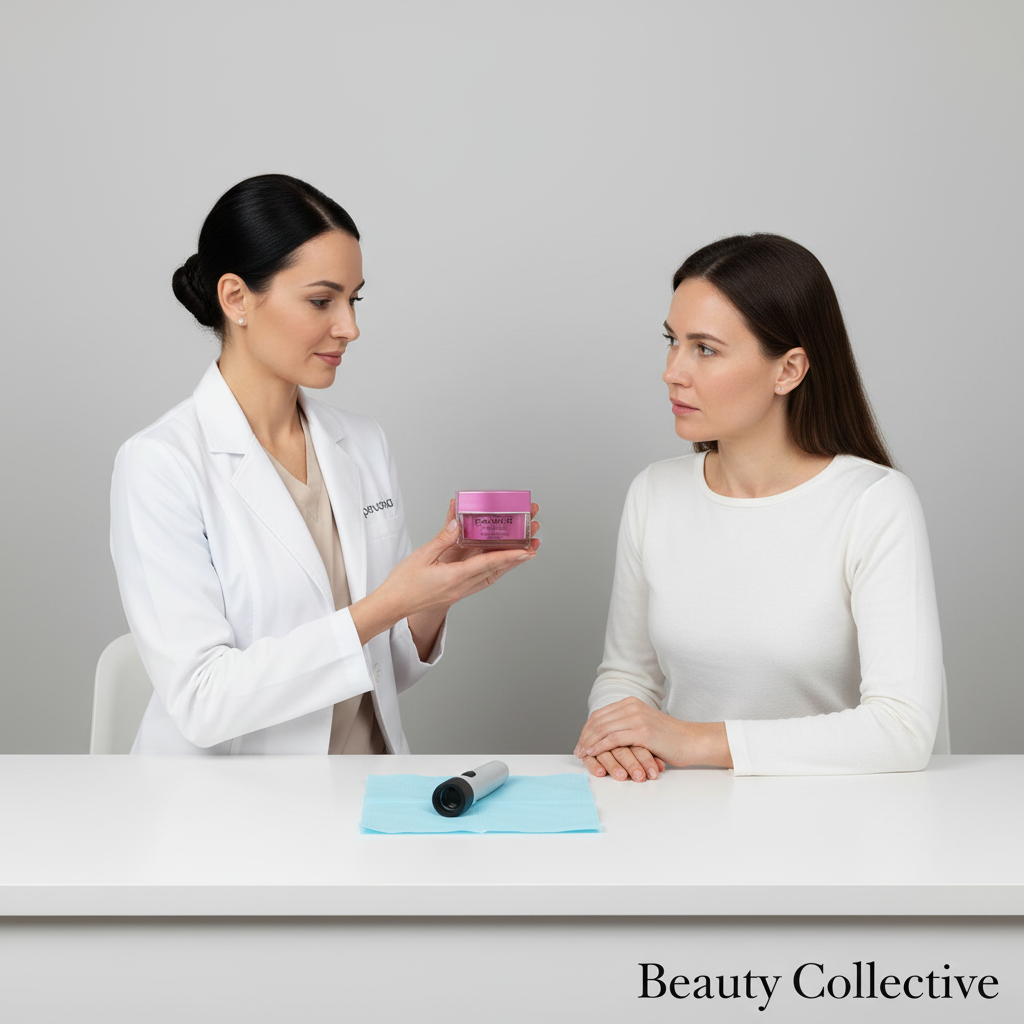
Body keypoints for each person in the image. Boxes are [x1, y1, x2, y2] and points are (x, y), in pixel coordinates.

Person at [111, 174, 539, 754]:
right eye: (321, 301)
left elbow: (385, 671)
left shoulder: (361, 444)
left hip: (364, 788)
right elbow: (203, 702)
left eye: (353, 299)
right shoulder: (161, 464)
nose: (350, 327)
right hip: (232, 811)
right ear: (236, 298)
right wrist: (390, 602)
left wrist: (436, 591)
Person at [574, 233, 942, 779]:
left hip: (842, 833)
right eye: (671, 340)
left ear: (788, 370)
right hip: (682, 821)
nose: (673, 370)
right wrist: (617, 733)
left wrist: (689, 739)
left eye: (705, 348)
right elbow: (628, 675)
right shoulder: (655, 493)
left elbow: (901, 730)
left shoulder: (873, 503)